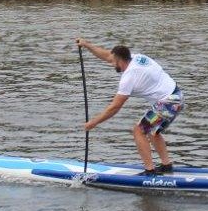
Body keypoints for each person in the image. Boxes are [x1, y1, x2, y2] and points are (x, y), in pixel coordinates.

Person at [76, 39, 184, 176]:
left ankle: (149, 171)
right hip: (176, 95)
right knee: (152, 131)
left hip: (169, 102)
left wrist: (93, 123)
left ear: (119, 60)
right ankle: (166, 166)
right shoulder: (135, 57)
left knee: (139, 131)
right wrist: (86, 45)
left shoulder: (128, 77)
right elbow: (107, 55)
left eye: (113, 61)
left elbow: (114, 107)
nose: (111, 63)